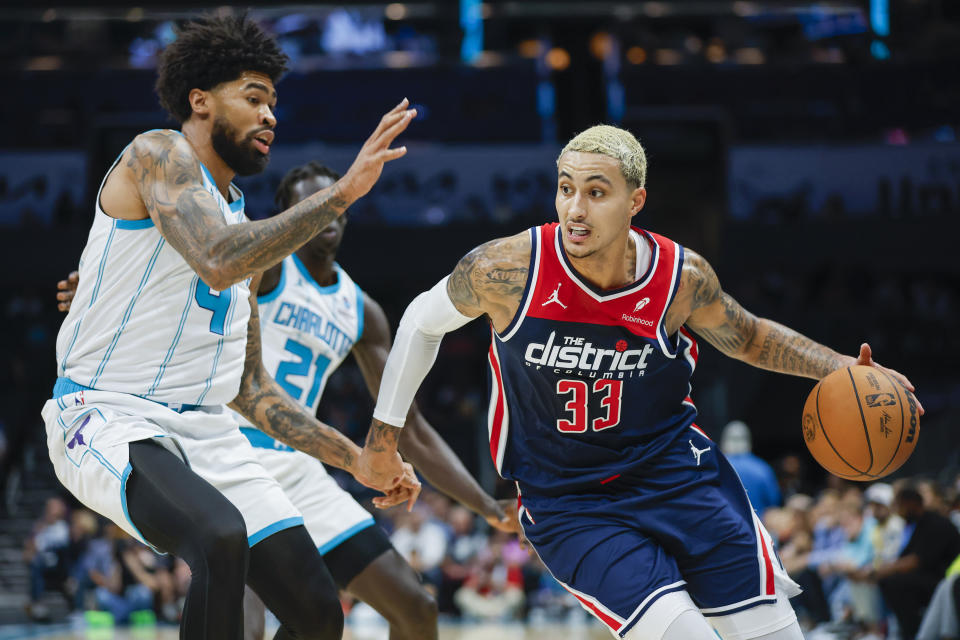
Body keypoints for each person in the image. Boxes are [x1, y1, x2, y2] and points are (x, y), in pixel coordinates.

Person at [355, 124, 923, 640]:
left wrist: (843, 367)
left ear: (636, 201)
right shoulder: (507, 270)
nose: (575, 209)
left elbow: (747, 335)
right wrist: (382, 440)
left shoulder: (681, 280)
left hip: (678, 477)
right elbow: (418, 322)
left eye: (596, 192)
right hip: (570, 500)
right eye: (565, 188)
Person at [41, 14, 417, 640]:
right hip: (105, 413)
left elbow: (253, 391)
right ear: (200, 100)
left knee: (319, 613)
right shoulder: (156, 153)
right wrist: (343, 192)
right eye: (254, 97)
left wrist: (356, 460)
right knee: (220, 536)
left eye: (274, 103)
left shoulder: (241, 222)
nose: (271, 116)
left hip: (207, 430)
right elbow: (216, 258)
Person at [58, 160, 520, 640]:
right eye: (309, 206)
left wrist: (486, 505)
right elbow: (187, 282)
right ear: (288, 216)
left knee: (416, 608)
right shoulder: (268, 266)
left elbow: (413, 429)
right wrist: (98, 292)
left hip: (301, 466)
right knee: (247, 624)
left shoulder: (361, 310)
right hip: (233, 452)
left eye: (332, 204)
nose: (326, 216)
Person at [871, 485, 960, 640]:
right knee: (887, 581)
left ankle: (911, 633)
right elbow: (905, 557)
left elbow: (917, 560)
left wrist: (886, 569)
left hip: (943, 578)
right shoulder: (917, 524)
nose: (897, 511)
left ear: (911, 503)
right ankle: (899, 631)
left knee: (895, 582)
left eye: (899, 505)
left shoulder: (936, 523)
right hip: (930, 579)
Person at [719, 420, 782, 517]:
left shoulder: (716, 466)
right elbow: (774, 502)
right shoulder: (762, 468)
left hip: (725, 526)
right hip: (757, 527)